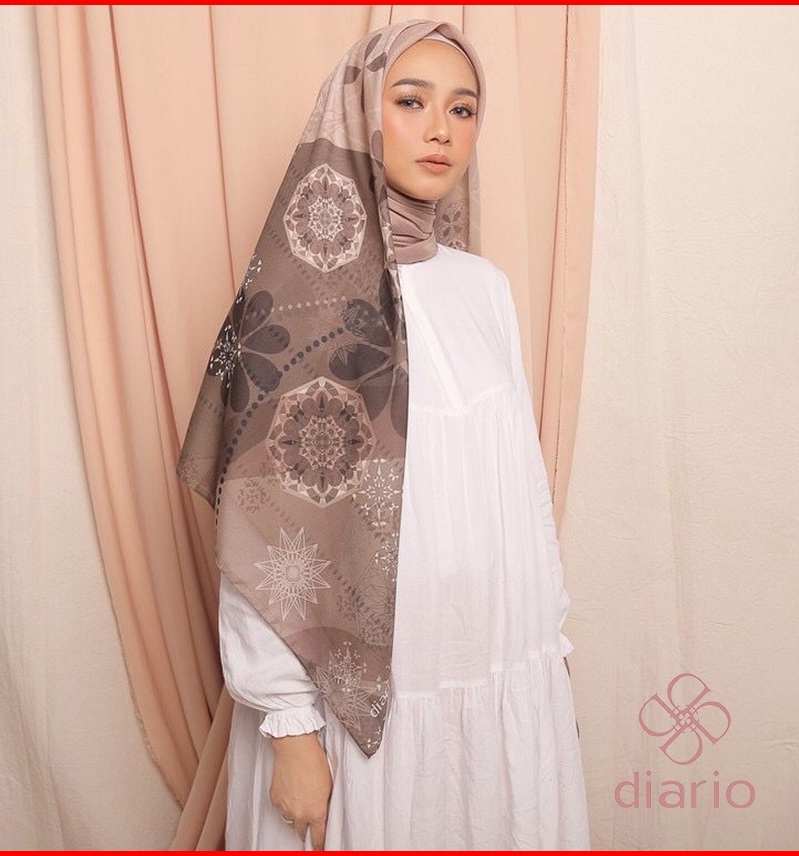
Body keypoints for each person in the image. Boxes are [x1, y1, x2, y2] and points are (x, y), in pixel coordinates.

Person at [177, 19, 591, 851]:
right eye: (411, 101)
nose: (441, 130)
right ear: (360, 113)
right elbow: (266, 531)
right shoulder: (301, 299)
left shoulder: (484, 289)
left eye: (463, 109)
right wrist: (291, 729)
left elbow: (520, 484)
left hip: (494, 659)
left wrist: (546, 649)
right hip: (367, 693)